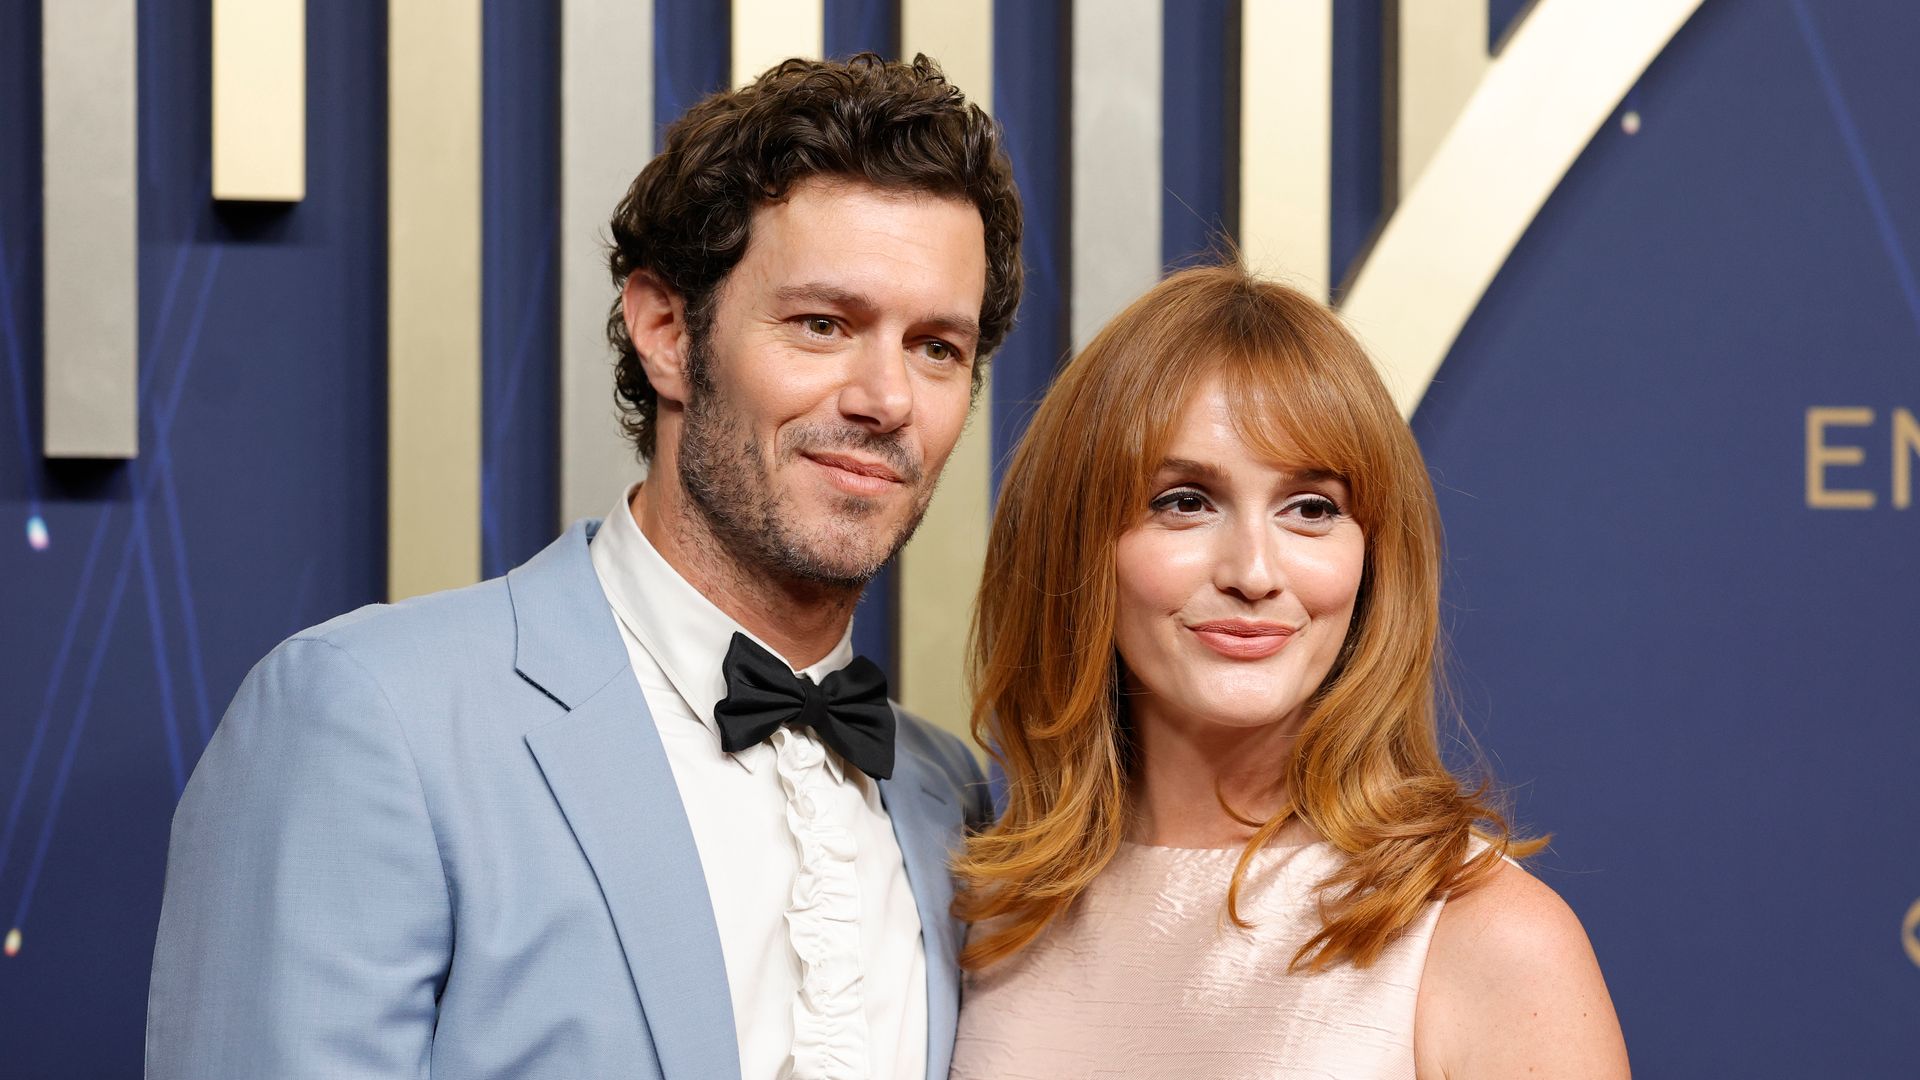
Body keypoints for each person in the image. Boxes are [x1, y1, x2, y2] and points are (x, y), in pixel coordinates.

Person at [146, 53, 1016, 1080]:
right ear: (664, 333)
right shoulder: (371, 719)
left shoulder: (950, 797)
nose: (887, 399)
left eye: (937, 348)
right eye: (823, 324)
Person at [949, 265, 1628, 1079]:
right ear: (1076, 543)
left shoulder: (1490, 939)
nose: (1255, 571)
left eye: (1312, 508)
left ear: (1374, 560)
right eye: (1185, 500)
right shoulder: (977, 920)